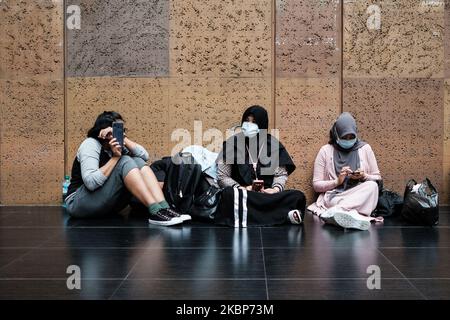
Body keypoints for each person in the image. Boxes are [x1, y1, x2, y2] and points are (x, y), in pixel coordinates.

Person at [64, 111, 190, 226]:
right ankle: (154, 211)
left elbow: (144, 156)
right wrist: (115, 158)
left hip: (105, 205)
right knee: (124, 160)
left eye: (122, 130)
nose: (121, 133)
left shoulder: (117, 146)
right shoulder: (91, 144)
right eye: (117, 130)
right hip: (78, 203)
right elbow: (90, 183)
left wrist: (123, 140)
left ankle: (164, 208)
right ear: (103, 131)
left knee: (137, 160)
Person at [215, 105, 306, 227]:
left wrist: (275, 190)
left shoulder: (273, 144)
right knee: (228, 195)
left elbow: (281, 174)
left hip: (267, 196)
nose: (248, 125)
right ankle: (282, 216)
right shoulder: (232, 143)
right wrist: (241, 188)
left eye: (254, 122)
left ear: (262, 125)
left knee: (298, 196)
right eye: (246, 121)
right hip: (243, 194)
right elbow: (222, 176)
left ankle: (249, 217)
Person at [307, 112, 383, 230]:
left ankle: (339, 212)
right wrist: (337, 181)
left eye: (351, 137)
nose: (348, 140)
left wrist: (364, 176)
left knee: (372, 186)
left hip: (358, 194)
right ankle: (349, 214)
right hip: (336, 196)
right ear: (336, 135)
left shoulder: (365, 148)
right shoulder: (325, 151)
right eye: (344, 137)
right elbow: (316, 185)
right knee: (344, 202)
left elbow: (377, 178)